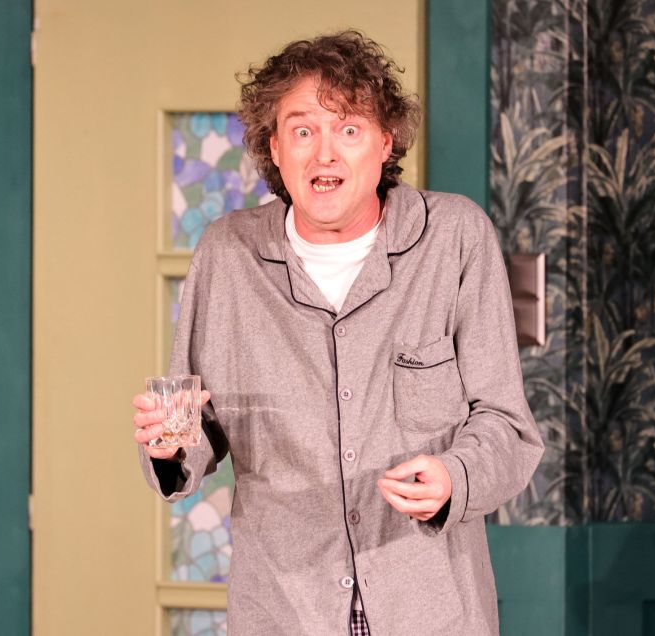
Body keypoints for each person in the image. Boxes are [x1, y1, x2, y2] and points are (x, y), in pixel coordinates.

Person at [133, 30, 543, 635]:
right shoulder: (227, 254)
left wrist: (454, 477)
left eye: (348, 129)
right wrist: (168, 447)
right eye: (303, 131)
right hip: (283, 610)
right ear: (275, 148)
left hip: (431, 607)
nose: (324, 154)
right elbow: (196, 427)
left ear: (385, 142)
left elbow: (507, 425)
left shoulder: (455, 239)